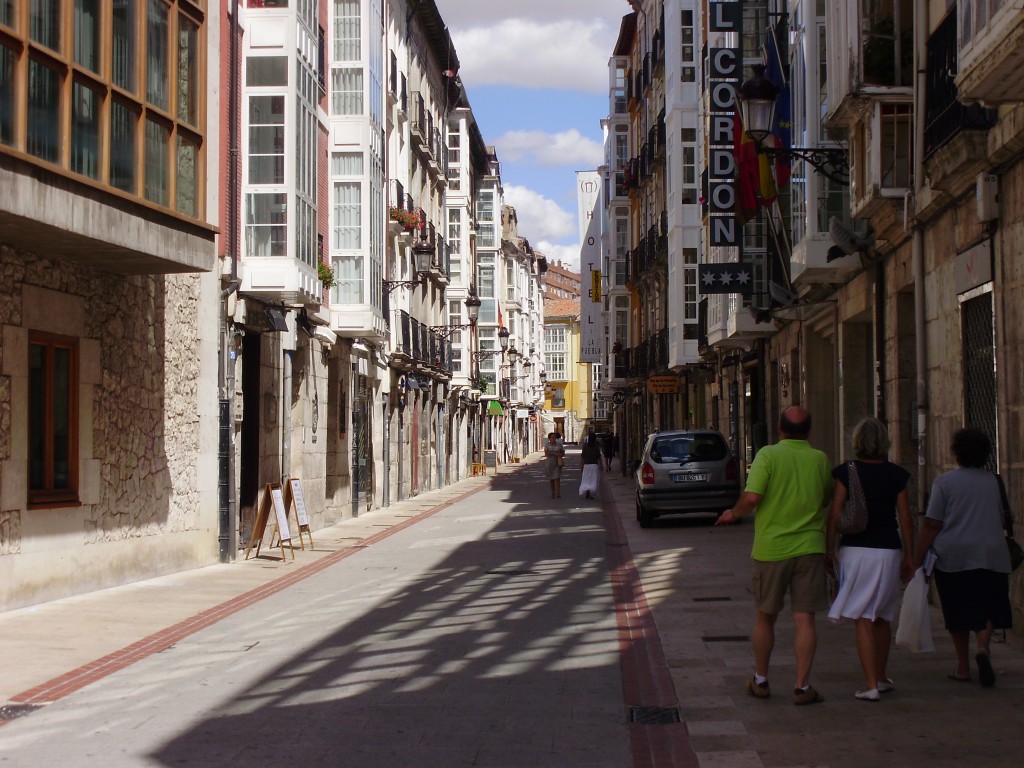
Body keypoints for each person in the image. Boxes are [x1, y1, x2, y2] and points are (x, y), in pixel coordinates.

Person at [715, 406, 833, 705]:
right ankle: (803, 687)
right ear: (808, 432)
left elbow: (753, 496)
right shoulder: (819, 459)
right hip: (809, 547)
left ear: (779, 430)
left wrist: (733, 513)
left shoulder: (767, 455)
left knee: (765, 616)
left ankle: (761, 679)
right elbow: (824, 498)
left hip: (772, 550)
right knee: (805, 619)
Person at [914, 428, 1013, 687]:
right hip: (992, 554)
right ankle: (983, 646)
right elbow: (1005, 517)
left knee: (957, 611)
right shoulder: (995, 481)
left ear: (957, 453)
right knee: (989, 605)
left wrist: (917, 557)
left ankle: (962, 667)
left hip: (954, 556)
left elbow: (932, 524)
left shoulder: (944, 483)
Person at [825, 417, 913, 702]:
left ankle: (870, 683)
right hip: (888, 549)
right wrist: (910, 555)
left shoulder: (846, 473)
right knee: (883, 615)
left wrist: (829, 549)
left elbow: (835, 513)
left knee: (862, 616)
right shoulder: (896, 475)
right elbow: (906, 518)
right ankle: (882, 676)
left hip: (856, 550)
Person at [579, 427, 602, 499]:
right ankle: (592, 492)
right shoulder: (596, 446)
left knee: (586, 479)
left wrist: (581, 465)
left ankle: (587, 490)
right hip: (594, 465)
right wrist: (601, 465)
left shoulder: (585, 446)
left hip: (587, 464)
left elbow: (582, 456)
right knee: (593, 479)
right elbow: (599, 457)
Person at [544, 432, 565, 498]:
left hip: (557, 463)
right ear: (549, 438)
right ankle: (553, 492)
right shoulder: (547, 444)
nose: (554, 438)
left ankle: (558, 492)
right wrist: (554, 453)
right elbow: (546, 453)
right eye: (552, 437)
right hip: (549, 463)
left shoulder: (559, 444)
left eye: (554, 437)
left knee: (557, 478)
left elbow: (563, 452)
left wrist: (560, 454)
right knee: (551, 479)